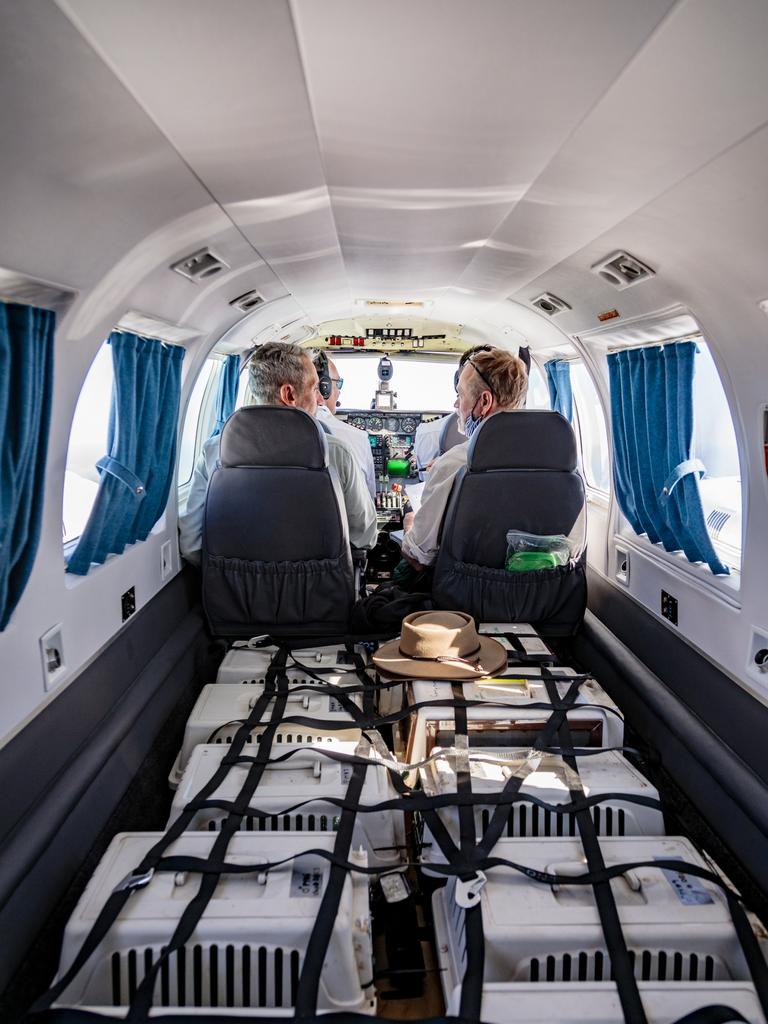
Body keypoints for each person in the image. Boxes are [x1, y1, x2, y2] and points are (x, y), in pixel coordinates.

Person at [179, 342, 377, 565]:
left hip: (232, 597)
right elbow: (364, 537)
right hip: (319, 597)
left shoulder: (214, 451)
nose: (320, 399)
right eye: (314, 389)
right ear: (289, 394)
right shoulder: (336, 452)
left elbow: (192, 546)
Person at [400, 346, 528, 570]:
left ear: (485, 402)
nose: (456, 404)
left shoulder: (456, 463)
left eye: (460, 395)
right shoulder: (558, 461)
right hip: (541, 598)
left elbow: (418, 558)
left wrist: (410, 523)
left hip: (462, 599)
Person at [312, 350, 376, 498]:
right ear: (324, 387)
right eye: (338, 383)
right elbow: (369, 498)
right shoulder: (358, 437)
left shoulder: (274, 436)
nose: (339, 391)